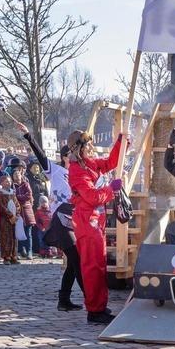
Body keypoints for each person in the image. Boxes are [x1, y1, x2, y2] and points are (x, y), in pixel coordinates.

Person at [17, 123, 84, 312]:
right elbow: (41, 156)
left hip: (75, 218)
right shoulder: (56, 171)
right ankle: (90, 300)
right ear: (64, 157)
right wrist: (29, 136)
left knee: (72, 261)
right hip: (60, 219)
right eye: (71, 154)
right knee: (76, 259)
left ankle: (64, 300)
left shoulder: (80, 172)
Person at [68, 130, 122, 324]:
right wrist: (111, 189)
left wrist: (121, 142)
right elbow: (91, 196)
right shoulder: (76, 170)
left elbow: (110, 163)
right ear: (79, 148)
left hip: (95, 221)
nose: (91, 147)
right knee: (92, 267)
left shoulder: (89, 164)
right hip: (86, 221)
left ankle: (99, 306)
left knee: (99, 266)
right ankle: (94, 310)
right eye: (87, 145)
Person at [0, 175, 21, 265]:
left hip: (14, 218)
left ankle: (13, 255)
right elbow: (1, 207)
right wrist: (10, 215)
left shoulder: (12, 193)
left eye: (9, 181)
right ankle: (6, 256)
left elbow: (17, 204)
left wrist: (17, 214)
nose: (8, 183)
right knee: (6, 237)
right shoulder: (0, 194)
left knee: (14, 237)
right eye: (6, 181)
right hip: (5, 219)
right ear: (1, 183)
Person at [12, 165, 35, 260]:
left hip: (26, 210)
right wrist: (19, 197)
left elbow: (28, 195)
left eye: (18, 174)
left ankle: (29, 251)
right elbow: (12, 197)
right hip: (17, 211)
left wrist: (18, 197)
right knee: (19, 231)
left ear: (21, 175)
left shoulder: (25, 184)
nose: (17, 176)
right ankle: (22, 250)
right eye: (15, 175)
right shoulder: (12, 185)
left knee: (28, 232)